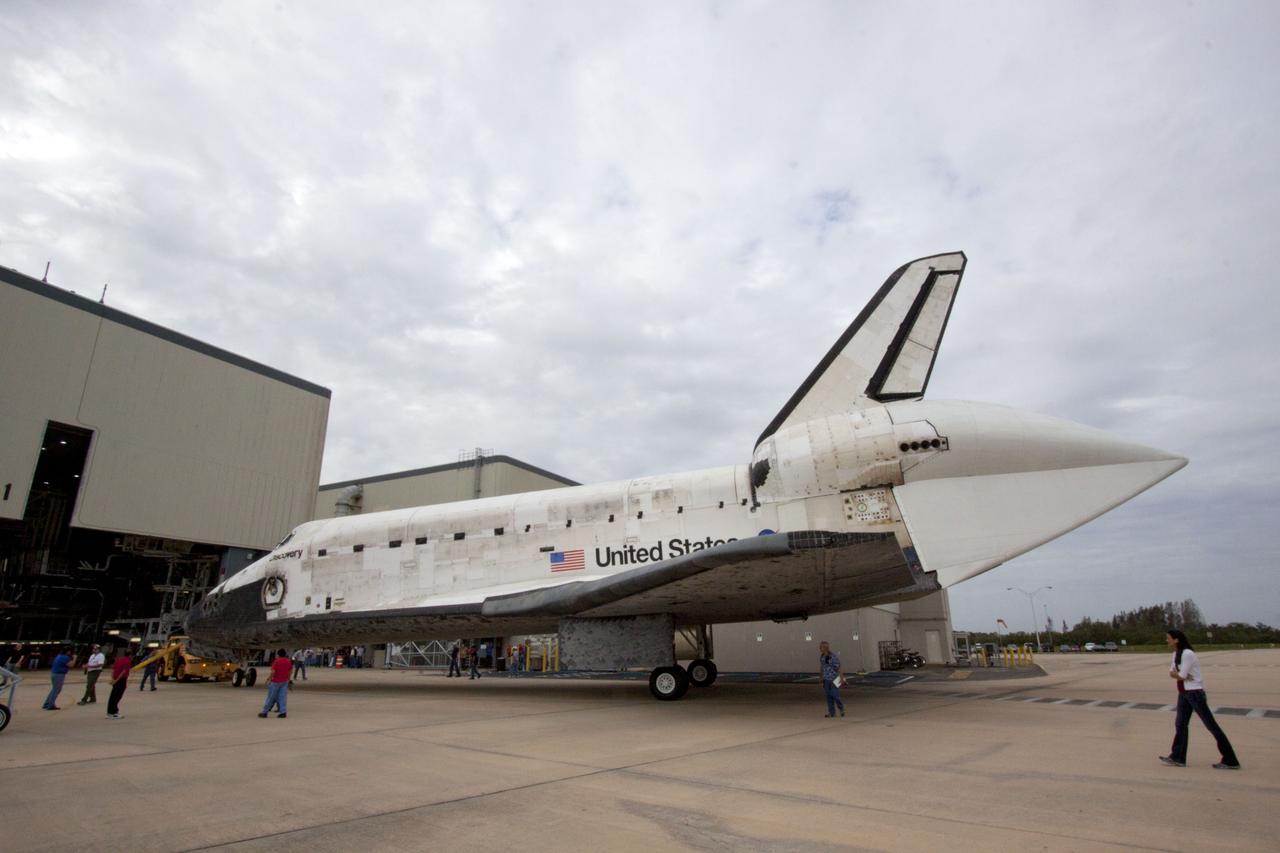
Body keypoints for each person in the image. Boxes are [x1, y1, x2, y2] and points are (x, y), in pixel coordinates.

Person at [1160, 629, 1241, 769]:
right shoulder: (1175, 654)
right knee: (1180, 725)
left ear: (1176, 639)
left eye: (1168, 638)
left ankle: (1230, 760)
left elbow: (1181, 675)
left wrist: (1180, 675)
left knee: (1211, 725)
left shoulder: (1187, 653)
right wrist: (1181, 675)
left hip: (1195, 693)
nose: (1166, 640)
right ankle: (1178, 757)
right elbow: (1172, 673)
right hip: (1184, 693)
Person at [259, 648, 292, 718]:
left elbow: (273, 672)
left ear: (278, 654)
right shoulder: (288, 661)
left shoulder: (276, 661)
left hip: (275, 681)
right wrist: (288, 679)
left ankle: (264, 712)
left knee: (271, 697)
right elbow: (290, 671)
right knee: (282, 697)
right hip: (284, 681)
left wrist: (269, 679)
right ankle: (283, 712)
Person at [818, 640, 846, 718]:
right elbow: (822, 667)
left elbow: (838, 667)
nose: (820, 648)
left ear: (825, 648)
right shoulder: (822, 657)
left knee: (835, 695)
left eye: (821, 647)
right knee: (828, 697)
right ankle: (832, 712)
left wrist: (841, 678)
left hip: (834, 679)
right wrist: (821, 677)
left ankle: (841, 708)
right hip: (826, 680)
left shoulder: (832, 657)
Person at [105, 648, 132, 718]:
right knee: (117, 696)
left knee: (113, 696)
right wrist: (116, 680)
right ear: (130, 655)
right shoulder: (128, 661)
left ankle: (110, 711)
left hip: (115, 679)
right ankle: (113, 712)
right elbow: (123, 672)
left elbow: (113, 669)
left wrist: (112, 679)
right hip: (121, 680)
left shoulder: (119, 660)